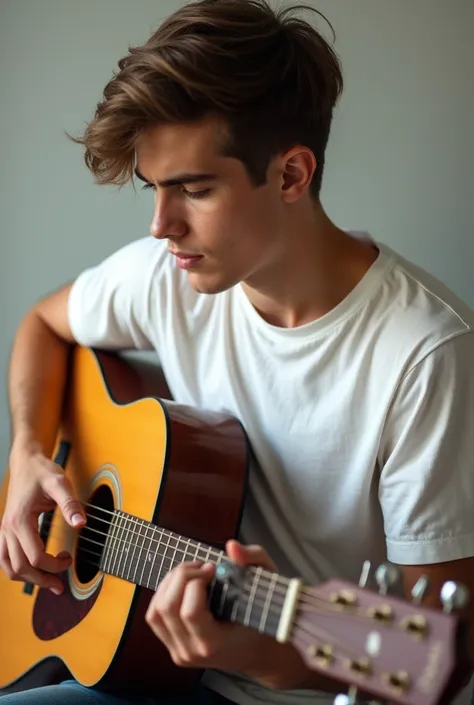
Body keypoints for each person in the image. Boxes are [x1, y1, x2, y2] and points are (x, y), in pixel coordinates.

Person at [1, 0, 474, 703]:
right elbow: (43, 323)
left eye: (194, 189)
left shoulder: (424, 354)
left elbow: (442, 656)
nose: (162, 226)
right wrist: (30, 454)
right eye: (154, 189)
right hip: (152, 669)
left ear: (289, 175)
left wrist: (273, 659)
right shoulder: (170, 276)